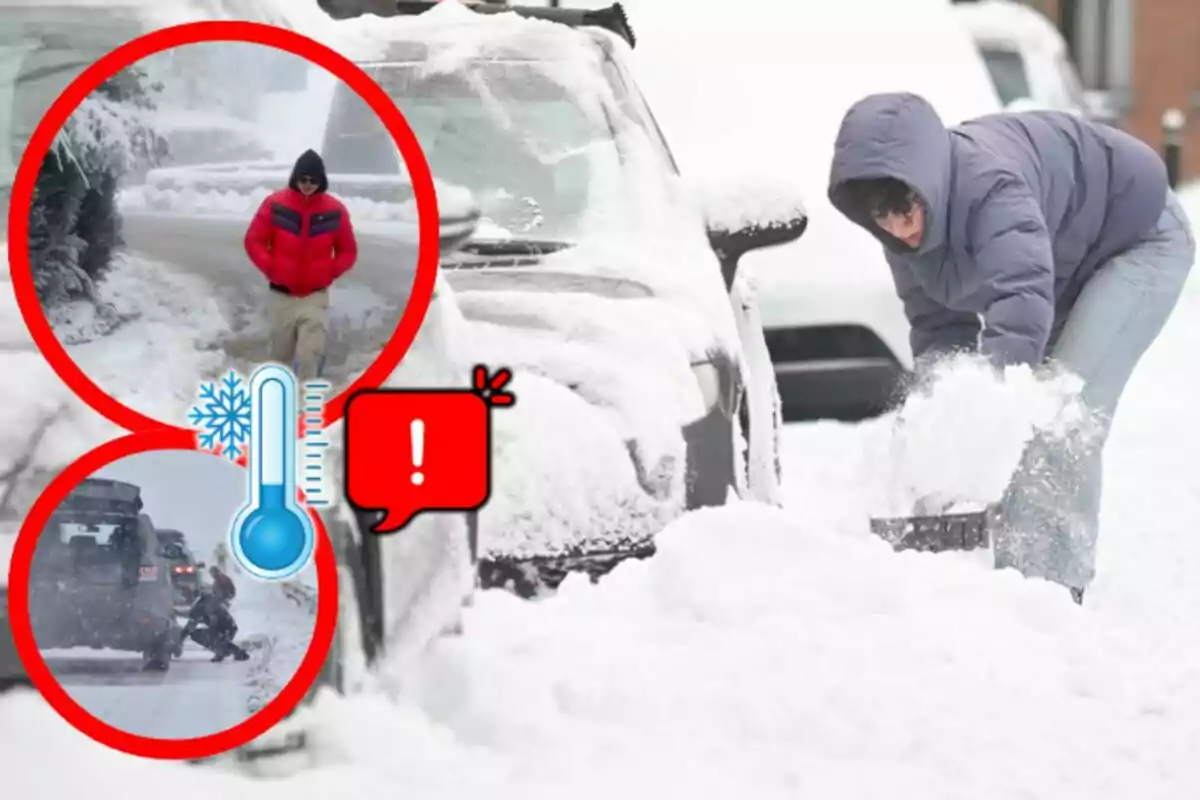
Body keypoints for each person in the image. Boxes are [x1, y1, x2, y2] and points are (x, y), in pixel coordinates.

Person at [826, 92, 1196, 605]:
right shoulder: (903, 243)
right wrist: (940, 436)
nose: (900, 228)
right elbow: (939, 334)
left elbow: (1019, 307)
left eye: (905, 208)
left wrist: (986, 420)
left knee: (1060, 407)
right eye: (882, 217)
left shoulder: (991, 189)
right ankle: (999, 573)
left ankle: (1046, 595)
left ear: (926, 181)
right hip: (1069, 259)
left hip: (1139, 238)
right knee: (1013, 407)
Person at [243, 149, 358, 382]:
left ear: (321, 180)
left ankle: (306, 404)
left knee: (308, 354)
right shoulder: (275, 204)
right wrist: (270, 267)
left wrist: (330, 272)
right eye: (303, 179)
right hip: (281, 297)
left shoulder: (335, 211)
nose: (308, 184)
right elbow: (253, 240)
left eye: (313, 180)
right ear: (295, 178)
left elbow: (348, 251)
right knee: (279, 359)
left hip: (314, 297)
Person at [176, 590, 249, 663]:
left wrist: (180, 640)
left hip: (226, 629)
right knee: (203, 635)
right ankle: (227, 650)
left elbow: (213, 621)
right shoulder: (206, 604)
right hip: (229, 628)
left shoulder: (204, 607)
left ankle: (228, 651)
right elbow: (190, 625)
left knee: (201, 635)